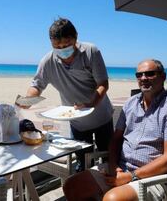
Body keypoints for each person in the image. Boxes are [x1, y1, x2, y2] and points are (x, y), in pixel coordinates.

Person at [63, 59, 167, 201]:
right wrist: (113, 165)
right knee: (71, 186)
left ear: (163, 76)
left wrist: (131, 176)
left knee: (112, 199)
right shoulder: (131, 103)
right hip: (122, 169)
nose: (143, 78)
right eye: (139, 75)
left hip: (157, 178)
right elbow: (116, 139)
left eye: (150, 74)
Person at [19, 18, 114, 172]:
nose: (62, 50)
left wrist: (92, 103)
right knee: (83, 165)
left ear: (76, 37)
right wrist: (28, 99)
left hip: (102, 117)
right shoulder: (48, 61)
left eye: (67, 45)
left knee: (109, 160)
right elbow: (37, 85)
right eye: (57, 47)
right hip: (76, 122)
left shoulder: (91, 51)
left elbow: (103, 83)